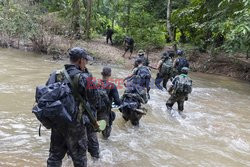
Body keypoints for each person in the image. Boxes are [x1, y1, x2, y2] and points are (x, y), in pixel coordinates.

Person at [45, 47, 95, 167]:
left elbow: (46, 95)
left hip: (58, 123)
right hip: (76, 125)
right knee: (80, 160)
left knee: (54, 157)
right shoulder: (84, 77)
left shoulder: (55, 74)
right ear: (80, 60)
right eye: (85, 60)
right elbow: (94, 99)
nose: (86, 63)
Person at [96, 67, 121, 139]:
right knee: (106, 136)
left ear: (101, 74)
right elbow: (118, 102)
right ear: (110, 74)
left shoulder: (95, 83)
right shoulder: (112, 86)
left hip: (94, 113)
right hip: (105, 114)